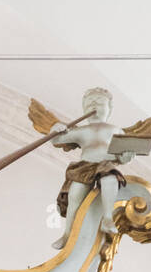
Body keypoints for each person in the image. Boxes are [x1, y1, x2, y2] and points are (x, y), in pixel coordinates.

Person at [51, 88, 135, 249]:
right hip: (85, 166)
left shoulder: (115, 130)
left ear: (109, 108)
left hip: (106, 164)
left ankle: (108, 218)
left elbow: (122, 154)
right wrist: (56, 129)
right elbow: (57, 140)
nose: (93, 105)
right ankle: (68, 233)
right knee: (75, 195)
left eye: (99, 102)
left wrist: (126, 157)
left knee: (110, 180)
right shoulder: (82, 131)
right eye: (89, 103)